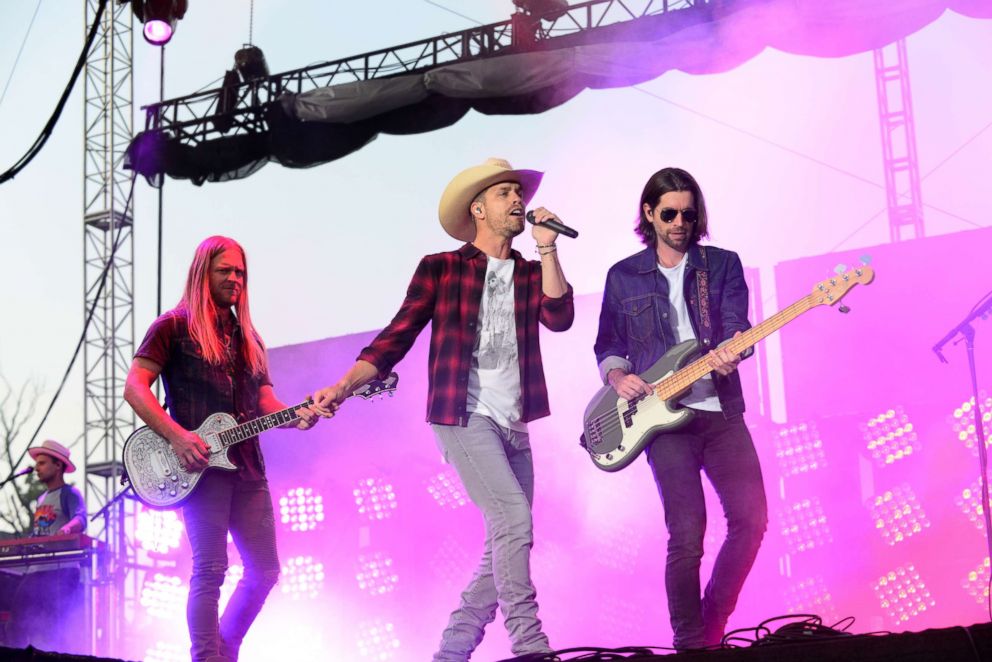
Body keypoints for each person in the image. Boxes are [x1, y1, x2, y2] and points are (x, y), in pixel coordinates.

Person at [313, 158, 574, 661]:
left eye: (517, 192)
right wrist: (343, 386)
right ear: (478, 209)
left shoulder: (527, 272)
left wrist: (547, 246)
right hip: (461, 415)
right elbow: (397, 335)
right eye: (504, 194)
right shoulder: (442, 268)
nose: (517, 200)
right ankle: (530, 644)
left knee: (504, 538)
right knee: (514, 519)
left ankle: (452, 651)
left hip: (515, 423)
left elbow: (560, 316)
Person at [593, 167, 767, 650]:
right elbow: (609, 343)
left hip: (721, 412)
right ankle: (691, 644)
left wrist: (736, 346)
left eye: (688, 214)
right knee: (687, 535)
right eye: (668, 213)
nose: (679, 222)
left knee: (752, 521)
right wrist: (617, 376)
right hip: (661, 422)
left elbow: (737, 324)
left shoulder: (723, 265)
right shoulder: (623, 276)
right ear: (649, 214)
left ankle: (711, 621)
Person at [124, 236, 320, 662]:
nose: (235, 279)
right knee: (211, 570)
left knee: (265, 571)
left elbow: (266, 402)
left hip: (249, 468)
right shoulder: (173, 326)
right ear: (202, 273)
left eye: (241, 273)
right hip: (198, 469)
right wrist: (177, 435)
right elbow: (135, 387)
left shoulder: (248, 337)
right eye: (225, 271)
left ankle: (224, 650)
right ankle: (206, 658)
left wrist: (299, 414)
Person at [7, 439, 87, 652]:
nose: (37, 469)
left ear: (58, 465)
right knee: (15, 622)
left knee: (55, 626)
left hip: (62, 570)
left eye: (42, 463)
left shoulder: (69, 494)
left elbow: (80, 518)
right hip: (38, 569)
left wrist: (66, 530)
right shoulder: (42, 498)